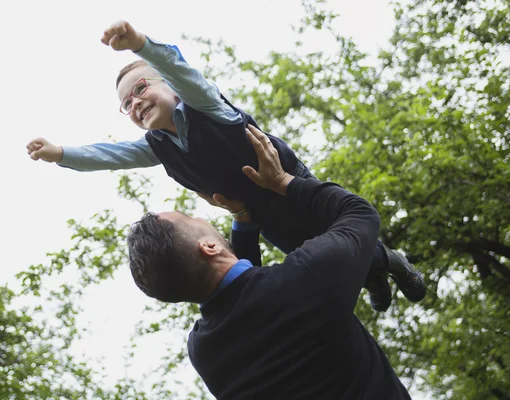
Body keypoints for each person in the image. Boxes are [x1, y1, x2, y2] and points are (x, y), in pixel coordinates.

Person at [26, 19, 425, 311]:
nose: (136, 103)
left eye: (141, 89)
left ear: (169, 87)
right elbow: (109, 156)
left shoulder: (205, 106)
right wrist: (61, 153)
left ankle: (391, 261)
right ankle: (373, 270)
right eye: (126, 104)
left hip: (290, 185)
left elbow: (180, 69)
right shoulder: (158, 147)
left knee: (344, 238)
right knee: (319, 255)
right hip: (262, 215)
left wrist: (141, 46)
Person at [127, 124, 412, 399]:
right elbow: (360, 214)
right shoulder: (305, 278)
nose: (200, 217)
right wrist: (283, 181)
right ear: (209, 246)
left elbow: (247, 297)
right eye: (190, 218)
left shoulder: (205, 351)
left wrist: (242, 216)